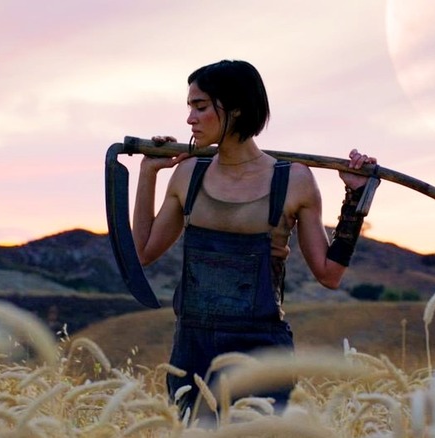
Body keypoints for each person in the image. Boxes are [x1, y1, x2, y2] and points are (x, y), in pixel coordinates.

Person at [132, 59, 378, 416]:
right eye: (189, 108)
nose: (190, 119)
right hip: (192, 354)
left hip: (263, 358)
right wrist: (147, 174)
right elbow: (142, 253)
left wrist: (355, 199)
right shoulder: (188, 174)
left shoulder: (292, 180)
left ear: (237, 108)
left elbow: (329, 274)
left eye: (200, 107)